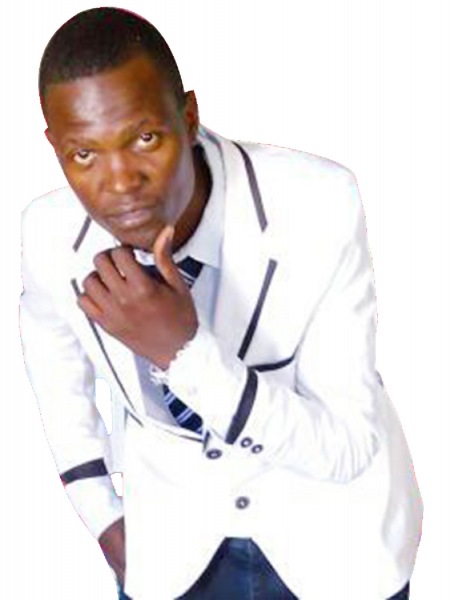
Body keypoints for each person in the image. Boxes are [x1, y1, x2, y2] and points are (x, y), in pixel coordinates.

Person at [20, 7, 422, 600]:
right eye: (84, 154)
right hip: (174, 552)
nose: (120, 181)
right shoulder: (50, 233)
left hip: (334, 547)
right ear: (55, 147)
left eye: (145, 139)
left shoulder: (317, 202)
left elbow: (347, 448)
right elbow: (53, 365)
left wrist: (182, 355)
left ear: (188, 117)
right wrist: (98, 510)